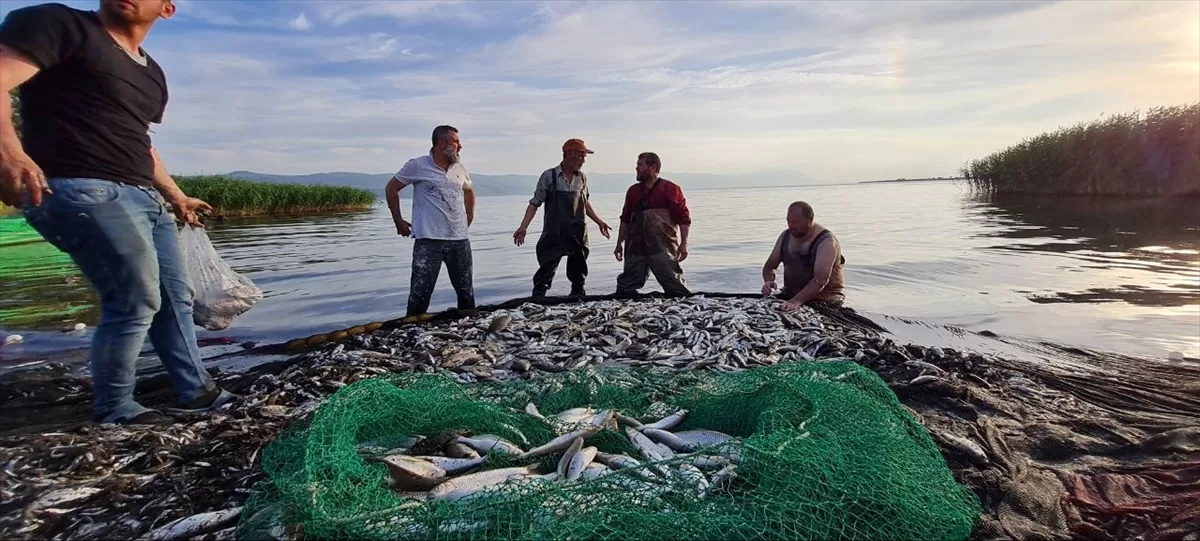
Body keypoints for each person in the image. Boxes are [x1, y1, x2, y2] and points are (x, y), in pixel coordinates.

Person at [0, 0, 235, 425]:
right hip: (79, 188)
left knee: (175, 299)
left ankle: (197, 391)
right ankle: (115, 409)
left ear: (167, 9)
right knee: (134, 299)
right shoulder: (60, 24)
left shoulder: (151, 73)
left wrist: (176, 195)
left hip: (145, 197)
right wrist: (10, 152)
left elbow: (139, 140)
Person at [385, 125, 477, 317]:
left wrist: (469, 216)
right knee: (420, 294)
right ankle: (410, 328)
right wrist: (398, 220)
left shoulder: (460, 167)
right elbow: (391, 189)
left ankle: (468, 327)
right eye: (456, 142)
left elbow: (469, 191)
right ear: (442, 143)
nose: (460, 146)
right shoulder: (418, 165)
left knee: (466, 293)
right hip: (428, 240)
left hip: (459, 240)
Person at [512, 138, 611, 297]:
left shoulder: (582, 178)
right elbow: (534, 203)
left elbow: (585, 203)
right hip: (554, 233)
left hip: (578, 232)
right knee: (546, 271)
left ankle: (578, 297)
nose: (583, 160)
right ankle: (538, 299)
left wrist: (599, 221)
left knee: (578, 274)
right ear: (569, 154)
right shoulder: (549, 176)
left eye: (584, 157)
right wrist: (523, 227)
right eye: (581, 156)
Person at [614, 152, 692, 296]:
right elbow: (625, 219)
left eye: (640, 165)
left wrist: (684, 243)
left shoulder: (670, 189)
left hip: (662, 248)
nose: (636, 168)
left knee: (676, 287)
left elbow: (683, 218)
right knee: (625, 289)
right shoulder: (633, 191)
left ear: (653, 167)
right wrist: (619, 243)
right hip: (635, 248)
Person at [761, 201, 846, 311]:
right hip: (790, 294)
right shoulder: (785, 236)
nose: (791, 226)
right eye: (788, 221)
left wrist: (796, 301)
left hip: (825, 298)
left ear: (810, 219)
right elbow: (770, 266)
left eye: (796, 222)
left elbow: (820, 281)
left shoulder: (826, 242)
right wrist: (768, 281)